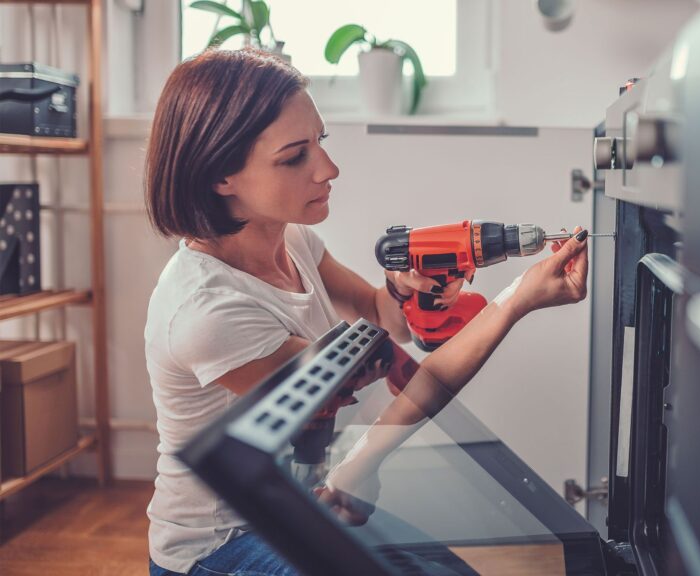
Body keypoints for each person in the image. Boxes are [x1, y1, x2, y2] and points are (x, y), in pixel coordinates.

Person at [143, 48, 589, 576]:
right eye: (295, 157)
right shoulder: (209, 313)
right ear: (222, 174)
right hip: (223, 547)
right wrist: (518, 299)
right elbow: (401, 395)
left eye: (320, 143)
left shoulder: (296, 241)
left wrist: (402, 289)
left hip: (304, 501)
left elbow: (386, 319)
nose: (328, 170)